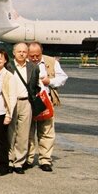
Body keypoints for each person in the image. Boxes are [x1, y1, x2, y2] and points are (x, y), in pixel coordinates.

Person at [26, 42, 68, 172]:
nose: (34, 58)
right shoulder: (23, 62)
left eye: (37, 55)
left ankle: (45, 159)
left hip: (45, 101)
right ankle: (28, 158)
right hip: (28, 102)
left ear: (41, 52)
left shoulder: (51, 61)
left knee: (46, 131)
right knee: (27, 132)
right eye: (31, 56)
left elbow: (63, 78)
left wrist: (50, 81)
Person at [5, 42, 38, 174]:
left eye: (24, 52)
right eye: (19, 51)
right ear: (14, 53)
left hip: (26, 103)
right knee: (10, 132)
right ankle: (9, 159)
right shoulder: (8, 66)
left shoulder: (33, 67)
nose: (22, 54)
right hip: (11, 102)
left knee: (24, 134)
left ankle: (19, 162)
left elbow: (35, 85)